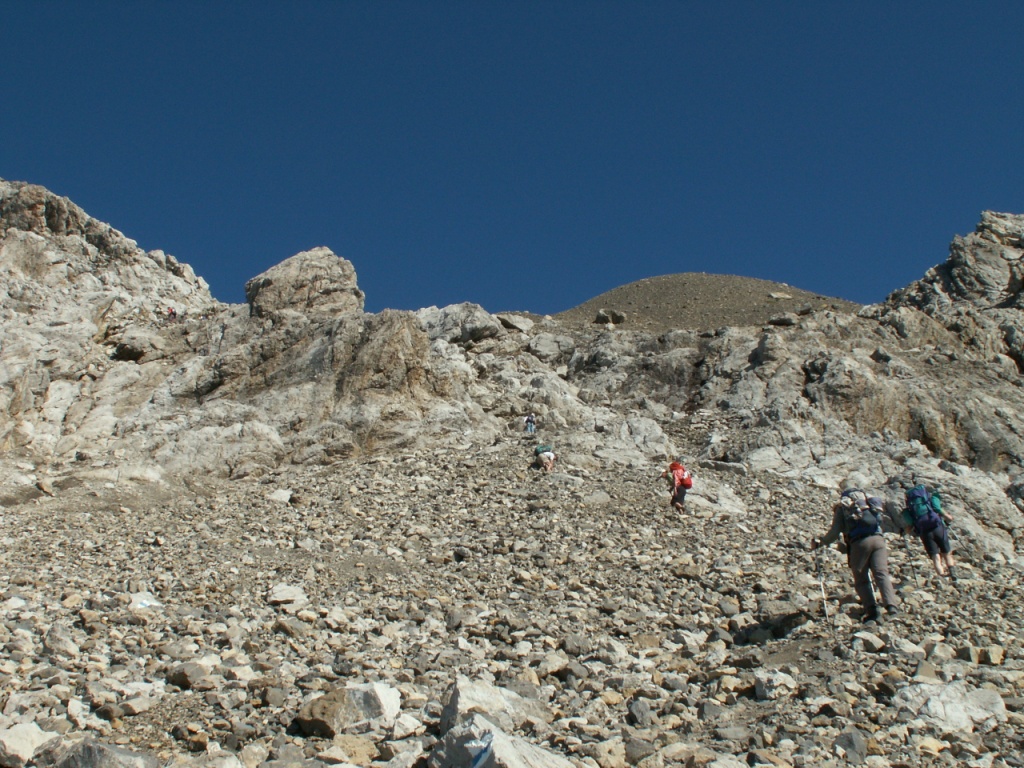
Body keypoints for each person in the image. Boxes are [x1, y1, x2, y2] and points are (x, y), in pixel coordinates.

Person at [812, 480, 900, 622]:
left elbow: (835, 532)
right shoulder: (869, 503)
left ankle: (872, 610)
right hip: (879, 540)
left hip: (859, 543)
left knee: (861, 578)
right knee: (881, 573)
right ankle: (891, 607)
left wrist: (821, 542)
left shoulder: (843, 506)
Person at [902, 482, 957, 581]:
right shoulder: (930, 500)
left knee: (935, 556)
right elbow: (938, 509)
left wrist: (904, 533)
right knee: (946, 552)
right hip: (938, 528)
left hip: (925, 533)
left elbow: (910, 525)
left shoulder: (909, 510)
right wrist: (948, 517)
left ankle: (942, 578)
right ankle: (952, 572)